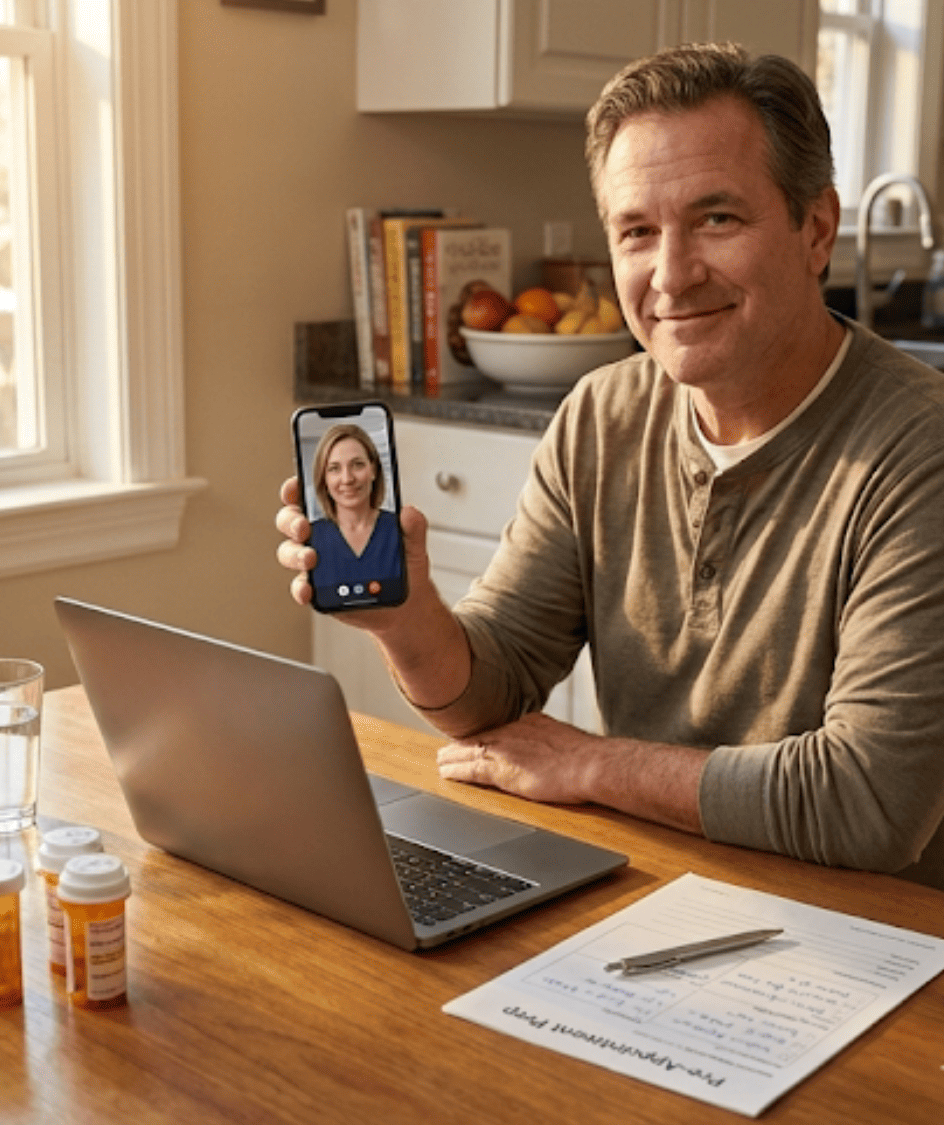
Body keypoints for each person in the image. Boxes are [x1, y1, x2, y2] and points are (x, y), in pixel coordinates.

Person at [275, 43, 944, 890]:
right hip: (651, 887)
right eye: (636, 231)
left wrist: (592, 766)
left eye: (717, 219)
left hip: (873, 944)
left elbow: (869, 801)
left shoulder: (921, 450)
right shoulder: (601, 415)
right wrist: (404, 619)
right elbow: (495, 682)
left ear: (816, 228)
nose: (671, 274)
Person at [305, 423, 399, 594]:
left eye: (357, 465)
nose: (347, 479)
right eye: (334, 469)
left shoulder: (398, 529)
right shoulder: (311, 537)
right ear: (323, 480)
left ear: (374, 470)